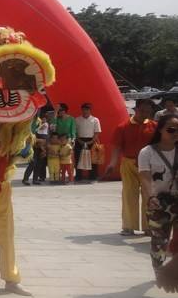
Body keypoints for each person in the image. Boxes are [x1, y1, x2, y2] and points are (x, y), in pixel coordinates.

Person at [106, 99, 157, 236]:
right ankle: (128, 226)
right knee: (129, 194)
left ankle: (149, 226)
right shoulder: (123, 127)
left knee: (149, 195)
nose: (145, 113)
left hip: (149, 165)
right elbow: (116, 147)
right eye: (142, 111)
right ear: (136, 109)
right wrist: (112, 163)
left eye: (148, 111)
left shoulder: (155, 127)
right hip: (129, 163)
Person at [138, 114, 178, 272]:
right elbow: (145, 178)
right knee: (160, 241)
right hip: (158, 203)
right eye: (171, 129)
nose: (176, 132)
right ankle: (159, 270)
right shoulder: (147, 152)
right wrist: (150, 197)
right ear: (160, 130)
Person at [74, 103, 102, 182]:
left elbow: (97, 132)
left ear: (90, 110)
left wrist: (91, 141)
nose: (85, 111)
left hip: (91, 140)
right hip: (80, 140)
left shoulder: (95, 120)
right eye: (83, 109)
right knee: (78, 158)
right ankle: (79, 176)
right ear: (81, 110)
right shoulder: (77, 119)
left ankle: (93, 176)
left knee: (93, 159)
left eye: (87, 109)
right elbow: (75, 132)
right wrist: (79, 140)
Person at [22, 113, 48, 185]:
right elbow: (29, 136)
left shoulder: (39, 122)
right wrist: (39, 141)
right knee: (32, 163)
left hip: (41, 146)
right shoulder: (29, 122)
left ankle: (35, 179)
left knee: (39, 163)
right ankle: (25, 179)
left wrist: (43, 147)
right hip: (33, 145)